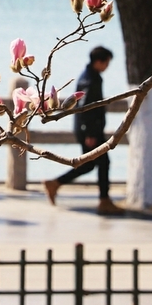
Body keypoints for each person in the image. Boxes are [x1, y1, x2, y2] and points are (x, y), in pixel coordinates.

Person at [42, 46, 124, 215]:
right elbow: (84, 106)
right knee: (101, 163)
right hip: (89, 131)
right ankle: (104, 201)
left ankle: (55, 183)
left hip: (89, 130)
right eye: (107, 62)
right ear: (99, 61)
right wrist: (90, 133)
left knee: (90, 164)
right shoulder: (90, 79)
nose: (107, 66)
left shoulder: (91, 76)